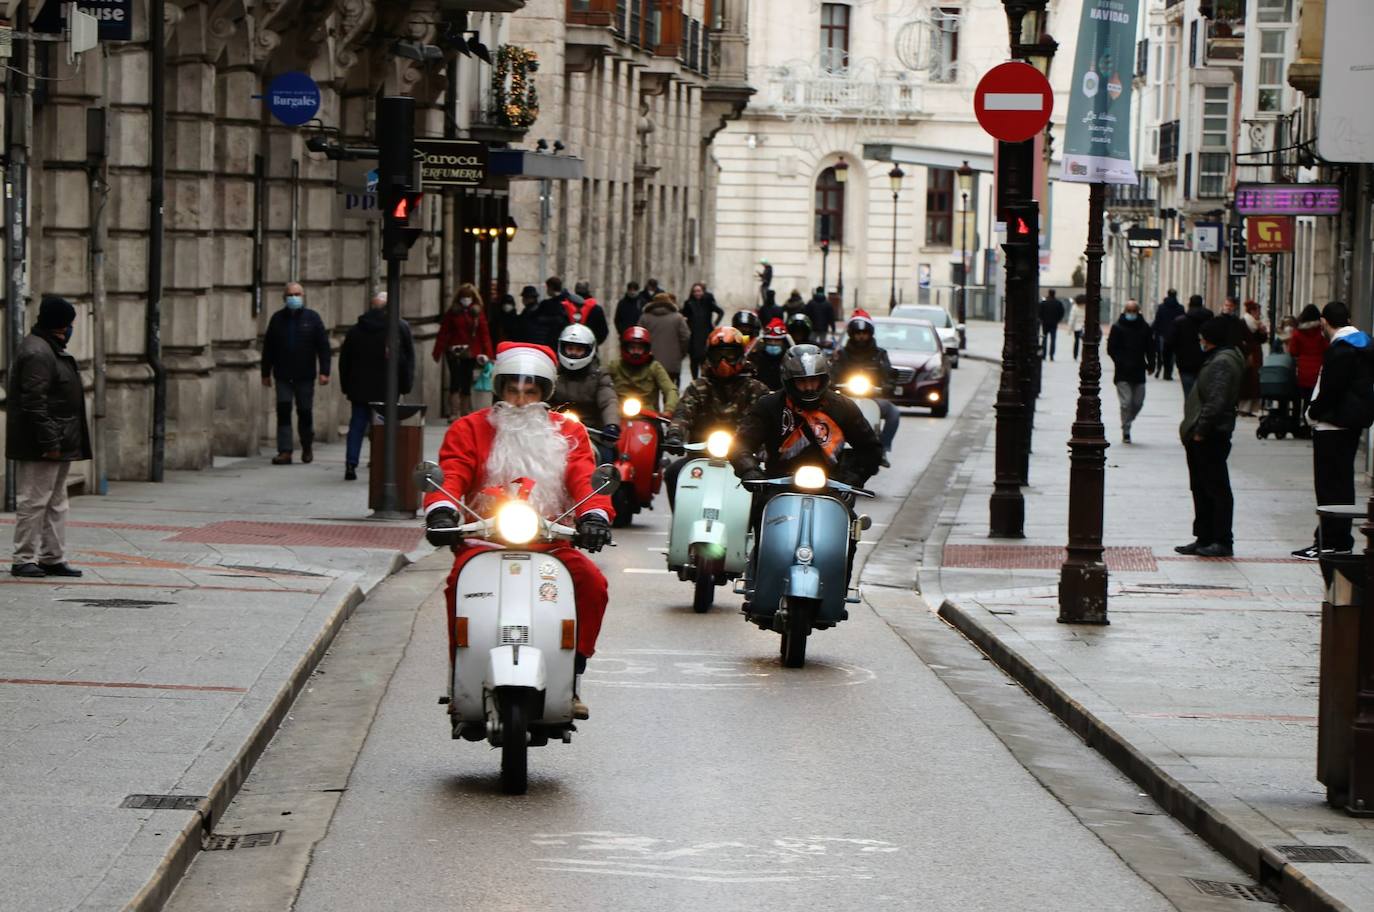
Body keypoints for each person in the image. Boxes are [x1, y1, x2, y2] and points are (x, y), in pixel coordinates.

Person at [422, 342, 613, 720]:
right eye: (513, 390)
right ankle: (462, 678)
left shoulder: (568, 433)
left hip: (552, 540)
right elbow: (454, 470)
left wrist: (594, 516)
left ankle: (572, 674)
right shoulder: (469, 429)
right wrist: (442, 512)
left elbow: (583, 478)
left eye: (531, 391)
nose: (521, 400)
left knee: (593, 585)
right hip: (484, 538)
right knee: (459, 586)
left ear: (544, 394)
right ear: (500, 389)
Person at [731, 345, 882, 585]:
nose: (809, 387)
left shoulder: (843, 408)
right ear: (789, 381)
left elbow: (871, 449)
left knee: (849, 527)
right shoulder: (769, 406)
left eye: (814, 381)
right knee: (759, 514)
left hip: (831, 485)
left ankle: (837, 588)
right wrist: (750, 470)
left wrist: (851, 478)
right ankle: (760, 579)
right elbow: (741, 444)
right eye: (802, 382)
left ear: (825, 379)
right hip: (778, 483)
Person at [7, 295, 91, 578]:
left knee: (56, 502)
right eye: (69, 323)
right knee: (33, 500)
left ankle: (52, 557)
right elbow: (34, 402)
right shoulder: (37, 352)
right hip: (41, 444)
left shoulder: (50, 348)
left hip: (58, 439)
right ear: (60, 324)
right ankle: (23, 558)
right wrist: (50, 442)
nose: (70, 328)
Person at [1292, 302, 1374, 560]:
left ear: (1325, 322)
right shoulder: (1363, 344)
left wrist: (1312, 412)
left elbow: (1331, 389)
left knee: (1328, 486)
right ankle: (1339, 540)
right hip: (1350, 424)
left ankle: (1329, 542)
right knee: (1342, 483)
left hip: (1331, 425)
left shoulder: (1340, 350)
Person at [662, 328, 769, 507]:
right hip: (700, 457)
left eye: (729, 355)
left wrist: (765, 450)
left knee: (764, 488)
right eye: (718, 355)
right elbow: (682, 413)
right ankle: (682, 523)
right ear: (709, 357)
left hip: (746, 460)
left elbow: (765, 423)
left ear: (741, 356)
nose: (723, 362)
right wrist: (674, 435)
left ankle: (754, 531)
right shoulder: (698, 387)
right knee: (673, 473)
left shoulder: (756, 389)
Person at [1175, 318, 1245, 558]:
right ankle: (1204, 536)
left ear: (1210, 338)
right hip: (1204, 433)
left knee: (1215, 488)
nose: (1200, 340)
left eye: (1202, 336)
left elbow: (1216, 400)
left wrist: (1200, 431)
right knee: (1201, 487)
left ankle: (1222, 540)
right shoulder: (1219, 358)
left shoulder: (1223, 362)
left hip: (1211, 434)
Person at [339, 292, 416, 482]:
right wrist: (406, 385)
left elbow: (345, 361)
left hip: (359, 388)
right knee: (383, 426)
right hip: (386, 388)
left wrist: (346, 386)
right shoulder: (398, 328)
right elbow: (407, 360)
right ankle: (381, 462)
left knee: (357, 425)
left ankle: (351, 463)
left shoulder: (356, 329)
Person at [261, 281, 331, 465]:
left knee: (304, 412)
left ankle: (306, 445)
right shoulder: (277, 319)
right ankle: (285, 451)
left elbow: (323, 346)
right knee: (283, 412)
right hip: (283, 374)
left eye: (297, 294)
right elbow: (268, 348)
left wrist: (325, 371)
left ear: (303, 296)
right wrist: (265, 372)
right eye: (290, 295)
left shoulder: (312, 318)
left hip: (305, 375)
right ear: (284, 298)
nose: (294, 298)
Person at [830, 310, 900, 462]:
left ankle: (883, 448)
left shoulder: (880, 354)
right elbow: (833, 373)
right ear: (851, 334)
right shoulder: (842, 354)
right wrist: (830, 382)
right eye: (857, 333)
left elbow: (887, 372)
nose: (861, 336)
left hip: (872, 397)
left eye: (864, 333)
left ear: (870, 334)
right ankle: (828, 445)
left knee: (894, 412)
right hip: (845, 398)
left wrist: (890, 383)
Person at [552, 323, 620, 464]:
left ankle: (600, 486)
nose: (573, 353)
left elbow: (608, 401)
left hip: (591, 433)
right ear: (562, 348)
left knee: (606, 459)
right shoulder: (553, 374)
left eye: (578, 349)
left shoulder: (599, 375)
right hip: (555, 431)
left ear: (589, 350)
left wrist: (611, 425)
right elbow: (542, 398)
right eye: (570, 348)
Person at [433, 284, 493, 419]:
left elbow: (484, 334)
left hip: (471, 352)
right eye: (464, 297)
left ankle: (465, 411)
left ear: (473, 298)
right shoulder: (453, 312)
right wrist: (438, 350)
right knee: (455, 380)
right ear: (459, 298)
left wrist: (488, 354)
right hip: (454, 350)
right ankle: (454, 412)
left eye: (468, 297)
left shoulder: (478, 313)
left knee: (466, 380)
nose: (466, 300)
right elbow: (444, 331)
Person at [1105, 299, 1155, 443]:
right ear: (1125, 311)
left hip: (1139, 370)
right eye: (1129, 311)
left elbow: (1150, 348)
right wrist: (1120, 361)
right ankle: (1126, 429)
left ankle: (1128, 421)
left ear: (1138, 312)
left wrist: (1151, 364)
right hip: (1122, 372)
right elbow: (1111, 349)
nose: (1131, 314)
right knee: (1126, 403)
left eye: (1134, 311)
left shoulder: (1144, 327)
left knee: (1138, 403)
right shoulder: (1117, 327)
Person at [608, 325, 680, 413]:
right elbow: (602, 386)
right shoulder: (614, 366)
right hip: (618, 416)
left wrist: (669, 409)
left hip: (648, 417)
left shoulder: (654, 367)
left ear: (646, 350)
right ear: (625, 349)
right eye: (632, 348)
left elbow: (670, 389)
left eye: (639, 349)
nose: (636, 352)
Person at [638, 291, 691, 387]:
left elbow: (638, 338)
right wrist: (681, 354)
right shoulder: (678, 318)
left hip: (650, 362)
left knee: (650, 392)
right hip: (672, 362)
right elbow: (685, 337)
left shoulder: (645, 318)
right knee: (670, 391)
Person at [1287, 304, 1329, 420]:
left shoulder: (1298, 332)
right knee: (1313, 398)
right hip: (1318, 369)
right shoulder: (1321, 332)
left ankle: (1299, 423)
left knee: (1301, 398)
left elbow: (1293, 351)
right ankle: (1310, 421)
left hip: (1303, 370)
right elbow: (1327, 348)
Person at [1171, 295, 1214, 395]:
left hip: (1185, 364)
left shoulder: (1180, 321)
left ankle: (1191, 410)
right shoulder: (1210, 320)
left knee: (1189, 395)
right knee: (1205, 395)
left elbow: (1171, 342)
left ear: (1189, 304)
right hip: (1206, 361)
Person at [681, 282, 725, 379]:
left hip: (706, 334)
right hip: (693, 335)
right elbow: (683, 316)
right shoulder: (688, 303)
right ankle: (694, 381)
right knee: (694, 360)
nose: (697, 293)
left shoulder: (708, 302)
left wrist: (715, 323)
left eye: (699, 291)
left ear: (703, 292)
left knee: (704, 360)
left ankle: (704, 380)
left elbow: (720, 312)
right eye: (695, 291)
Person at [522, 277, 573, 349]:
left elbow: (535, 317)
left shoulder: (547, 304)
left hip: (550, 339)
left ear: (551, 287)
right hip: (565, 337)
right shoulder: (568, 301)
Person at [1238, 299, 1269, 415]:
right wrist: (1246, 353)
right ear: (1252, 311)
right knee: (1247, 381)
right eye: (1257, 311)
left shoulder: (1258, 324)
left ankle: (1251, 408)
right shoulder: (1243, 322)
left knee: (1255, 382)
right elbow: (1239, 340)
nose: (1259, 314)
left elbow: (1263, 340)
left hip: (1256, 354)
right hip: (1247, 355)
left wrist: (1263, 332)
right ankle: (1243, 408)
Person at [746, 318, 791, 390]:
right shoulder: (756, 358)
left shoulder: (789, 360)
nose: (773, 343)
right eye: (769, 340)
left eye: (777, 340)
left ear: (783, 342)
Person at [1151, 289, 1184, 379]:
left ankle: (1163, 369)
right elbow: (1183, 322)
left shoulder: (1161, 307)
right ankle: (1168, 372)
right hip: (1175, 335)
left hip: (1163, 334)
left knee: (1163, 353)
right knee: (1172, 354)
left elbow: (1157, 320)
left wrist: (1153, 331)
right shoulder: (1180, 308)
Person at [569, 281, 610, 346]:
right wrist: (595, 344)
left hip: (570, 346)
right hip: (589, 346)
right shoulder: (597, 309)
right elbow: (604, 331)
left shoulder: (568, 306)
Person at [1039, 289, 1065, 361]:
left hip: (1045, 324)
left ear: (1049, 293)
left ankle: (1043, 355)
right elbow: (1062, 313)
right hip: (1054, 324)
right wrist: (1058, 320)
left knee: (1044, 339)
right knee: (1053, 340)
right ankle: (1051, 355)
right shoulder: (1058, 303)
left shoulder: (1044, 303)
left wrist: (1042, 320)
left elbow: (1039, 312)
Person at [1068, 294, 1087, 361]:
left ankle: (1075, 355)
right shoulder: (1087, 307)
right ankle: (1083, 355)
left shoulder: (1075, 307)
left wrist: (1069, 329)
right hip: (1085, 327)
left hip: (1077, 327)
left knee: (1076, 341)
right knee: (1085, 342)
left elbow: (1072, 318)